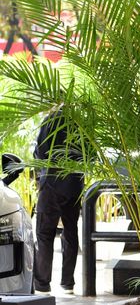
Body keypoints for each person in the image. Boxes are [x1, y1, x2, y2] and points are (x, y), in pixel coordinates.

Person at [33, 110, 83, 295]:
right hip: (74, 184)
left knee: (45, 233)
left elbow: (40, 152)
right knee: (70, 231)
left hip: (52, 182)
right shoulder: (79, 122)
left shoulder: (50, 119)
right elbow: (89, 155)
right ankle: (68, 283)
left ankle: (42, 285)